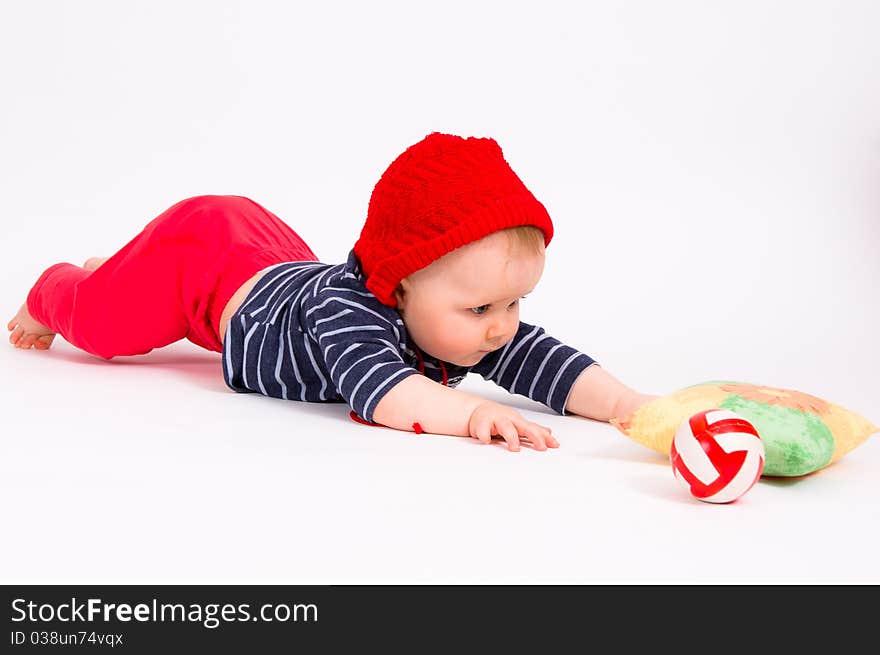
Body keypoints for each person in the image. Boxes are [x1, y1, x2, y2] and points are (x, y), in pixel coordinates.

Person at [7, 131, 658, 451]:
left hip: (268, 257)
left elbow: (544, 361)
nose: (501, 326)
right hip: (205, 265)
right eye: (483, 307)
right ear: (398, 286)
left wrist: (629, 405)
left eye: (514, 303)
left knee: (131, 281)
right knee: (105, 326)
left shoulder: (457, 318)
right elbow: (380, 390)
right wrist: (470, 416)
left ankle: (121, 267)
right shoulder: (347, 310)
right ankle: (58, 288)